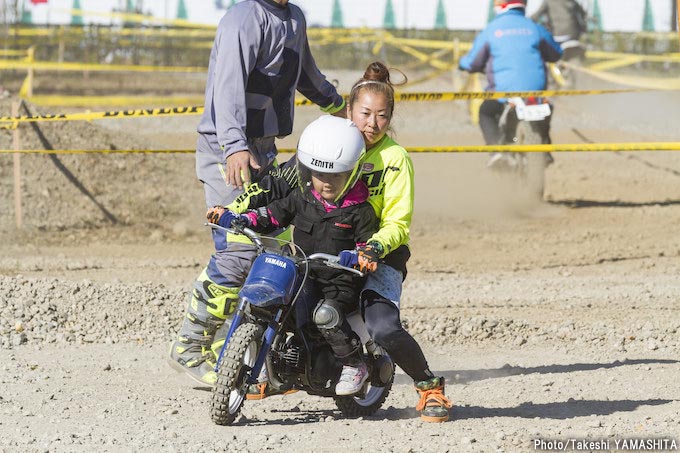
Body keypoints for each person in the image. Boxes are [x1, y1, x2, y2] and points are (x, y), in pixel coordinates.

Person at [225, 61, 453, 423]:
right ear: (349, 111)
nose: (371, 124)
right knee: (280, 295)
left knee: (383, 326)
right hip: (319, 243)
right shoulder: (326, 144)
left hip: (374, 254)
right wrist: (233, 209)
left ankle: (429, 386)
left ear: (390, 117)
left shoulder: (394, 160)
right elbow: (275, 184)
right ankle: (275, 370)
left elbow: (397, 223)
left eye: (381, 116)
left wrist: (374, 248)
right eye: (365, 113)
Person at [168, 0, 346, 387]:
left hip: (263, 148)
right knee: (239, 249)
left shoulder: (294, 18)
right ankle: (189, 345)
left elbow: (305, 74)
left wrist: (339, 106)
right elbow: (227, 84)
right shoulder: (243, 18)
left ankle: (228, 349)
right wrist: (233, 146)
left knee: (274, 247)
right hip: (226, 150)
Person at [208, 116, 379, 396]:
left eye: (336, 175)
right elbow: (272, 214)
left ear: (353, 171)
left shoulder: (361, 210)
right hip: (303, 272)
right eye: (320, 174)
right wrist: (240, 219)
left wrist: (362, 254)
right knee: (266, 302)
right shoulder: (302, 197)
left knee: (326, 315)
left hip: (339, 281)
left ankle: (354, 364)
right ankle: (258, 359)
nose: (326, 183)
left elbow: (369, 243)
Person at [459, 0, 562, 169]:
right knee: (547, 109)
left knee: (485, 112)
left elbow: (472, 62)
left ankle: (497, 151)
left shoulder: (492, 30)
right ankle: (544, 147)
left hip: (502, 95)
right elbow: (556, 53)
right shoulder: (535, 28)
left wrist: (462, 63)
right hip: (534, 94)